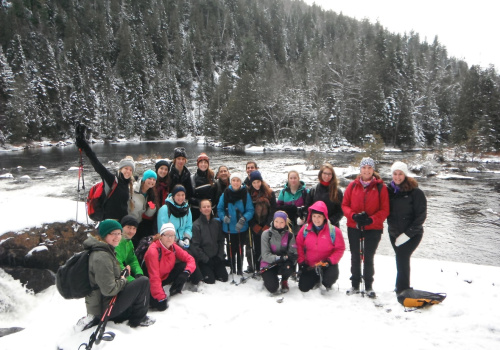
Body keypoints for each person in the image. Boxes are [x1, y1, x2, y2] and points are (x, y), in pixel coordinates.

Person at [77, 219, 154, 330]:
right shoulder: (102, 257)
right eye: (113, 233)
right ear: (104, 235)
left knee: (138, 284)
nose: (117, 237)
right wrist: (124, 278)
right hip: (104, 308)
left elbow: (121, 267)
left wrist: (125, 275)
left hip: (104, 302)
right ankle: (139, 319)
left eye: (119, 233)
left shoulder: (106, 250)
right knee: (143, 282)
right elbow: (109, 290)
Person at [342, 157, 389, 297]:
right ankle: (355, 284)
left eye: (369, 167)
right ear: (360, 169)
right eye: (364, 167)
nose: (366, 170)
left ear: (373, 170)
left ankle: (368, 285)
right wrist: (353, 216)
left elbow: (385, 210)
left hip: (373, 228)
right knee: (355, 256)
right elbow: (345, 205)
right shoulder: (352, 186)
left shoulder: (381, 187)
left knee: (368, 257)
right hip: (354, 226)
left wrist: (371, 219)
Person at [75, 124, 134, 221]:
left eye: (130, 170)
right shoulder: (111, 179)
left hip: (122, 223)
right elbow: (97, 163)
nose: (128, 171)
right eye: (126, 168)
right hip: (109, 223)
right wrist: (84, 144)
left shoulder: (127, 184)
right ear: (120, 169)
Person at [387, 161, 427, 294]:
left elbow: (420, 217)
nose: (397, 177)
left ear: (405, 175)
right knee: (400, 258)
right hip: (394, 234)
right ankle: (401, 287)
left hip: (412, 234)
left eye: (400, 174)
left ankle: (402, 288)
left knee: (402, 257)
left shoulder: (416, 193)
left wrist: (407, 235)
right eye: (395, 173)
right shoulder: (389, 191)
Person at [145, 223, 201, 311]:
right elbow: (154, 277)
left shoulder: (173, 247)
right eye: (167, 235)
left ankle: (175, 290)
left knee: (183, 266)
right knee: (160, 306)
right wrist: (161, 297)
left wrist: (186, 273)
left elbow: (190, 259)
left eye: (172, 235)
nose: (170, 238)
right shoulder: (154, 251)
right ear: (161, 236)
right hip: (151, 282)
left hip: (165, 276)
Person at [296, 201, 346, 292]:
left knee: (328, 280)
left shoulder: (334, 231)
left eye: (319, 216)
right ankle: (315, 278)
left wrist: (330, 261)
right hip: (310, 265)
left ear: (324, 217)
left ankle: (325, 280)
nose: (316, 219)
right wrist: (301, 261)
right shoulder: (305, 230)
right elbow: (298, 246)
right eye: (314, 216)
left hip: (326, 264)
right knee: (303, 287)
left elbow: (340, 248)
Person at [217, 173, 254, 275]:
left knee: (239, 247)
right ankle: (232, 267)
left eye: (238, 180)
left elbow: (250, 210)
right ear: (231, 181)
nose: (236, 182)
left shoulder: (245, 194)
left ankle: (239, 268)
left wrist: (244, 219)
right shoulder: (225, 194)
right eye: (234, 180)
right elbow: (220, 209)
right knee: (230, 248)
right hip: (228, 227)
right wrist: (223, 217)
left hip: (241, 227)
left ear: (240, 182)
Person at [190, 199, 229, 284]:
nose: (206, 208)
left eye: (208, 206)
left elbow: (221, 241)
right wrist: (206, 259)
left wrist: (219, 256)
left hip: (216, 258)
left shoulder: (216, 223)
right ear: (200, 209)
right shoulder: (196, 225)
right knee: (210, 280)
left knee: (224, 278)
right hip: (205, 260)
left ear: (211, 208)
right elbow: (196, 246)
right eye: (204, 207)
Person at [260, 211, 297, 294]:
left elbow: (293, 252)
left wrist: (288, 260)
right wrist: (278, 258)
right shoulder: (266, 234)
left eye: (281, 222)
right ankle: (268, 278)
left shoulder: (290, 235)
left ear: (285, 223)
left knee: (289, 266)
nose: (278, 224)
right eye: (276, 221)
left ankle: (284, 280)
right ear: (273, 221)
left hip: (283, 262)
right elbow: (265, 255)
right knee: (273, 288)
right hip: (268, 263)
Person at [246, 170, 276, 273]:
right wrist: (254, 225)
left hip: (267, 224)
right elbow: (248, 210)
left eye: (258, 182)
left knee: (268, 247)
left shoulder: (270, 193)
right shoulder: (249, 194)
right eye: (254, 183)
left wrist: (268, 225)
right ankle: (258, 268)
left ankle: (269, 267)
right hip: (255, 224)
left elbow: (273, 210)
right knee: (257, 248)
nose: (256, 184)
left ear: (261, 181)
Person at [304, 163, 343, 227]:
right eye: (325, 173)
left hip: (332, 226)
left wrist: (331, 221)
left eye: (329, 174)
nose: (327, 176)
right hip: (315, 225)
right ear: (321, 174)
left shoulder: (337, 191)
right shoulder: (313, 190)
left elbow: (340, 211)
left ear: (332, 175)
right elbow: (308, 208)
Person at [157, 185, 193, 249]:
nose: (181, 197)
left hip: (183, 241)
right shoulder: (165, 209)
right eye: (178, 195)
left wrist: (187, 238)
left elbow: (189, 226)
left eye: (183, 195)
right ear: (173, 196)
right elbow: (162, 230)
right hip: (169, 242)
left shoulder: (187, 209)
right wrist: (177, 240)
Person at [129, 169, 158, 246]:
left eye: (154, 180)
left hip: (137, 224)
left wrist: (152, 208)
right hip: (127, 223)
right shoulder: (133, 189)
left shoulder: (150, 194)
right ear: (144, 179)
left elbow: (148, 214)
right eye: (149, 178)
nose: (151, 181)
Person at [276, 170, 309, 235]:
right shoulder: (283, 192)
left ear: (298, 178)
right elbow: (278, 207)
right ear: (288, 179)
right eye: (291, 178)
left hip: (301, 222)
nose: (293, 180)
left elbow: (309, 205)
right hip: (287, 222)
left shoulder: (305, 192)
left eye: (295, 178)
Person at [115, 215, 144, 282]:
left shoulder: (128, 241)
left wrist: (139, 273)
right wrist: (132, 280)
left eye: (134, 228)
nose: (131, 231)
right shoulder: (116, 242)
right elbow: (118, 265)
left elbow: (132, 260)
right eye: (129, 227)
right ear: (122, 227)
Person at [190, 153, 216, 221]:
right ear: (198, 164)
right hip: (197, 213)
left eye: (205, 162)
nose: (203, 164)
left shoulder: (212, 177)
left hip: (211, 212)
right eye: (201, 162)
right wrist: (201, 203)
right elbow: (189, 197)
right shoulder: (192, 179)